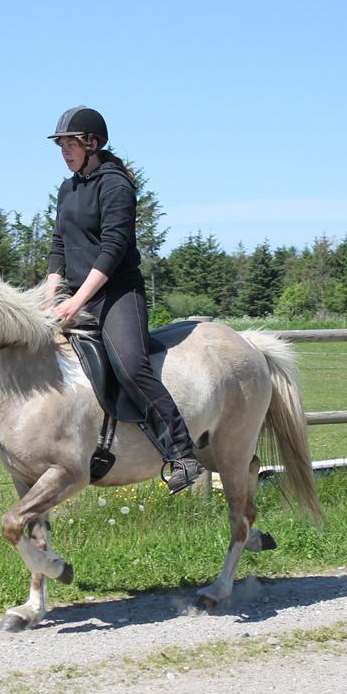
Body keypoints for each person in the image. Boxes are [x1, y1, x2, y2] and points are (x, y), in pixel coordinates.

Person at [44, 105, 203, 494]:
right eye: (60, 145)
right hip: (75, 296)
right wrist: (51, 292)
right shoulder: (68, 188)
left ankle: (182, 452)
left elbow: (113, 250)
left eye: (70, 144)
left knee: (130, 365)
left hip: (117, 294)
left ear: (91, 144)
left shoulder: (115, 184)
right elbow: (59, 244)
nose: (64, 151)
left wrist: (77, 301)